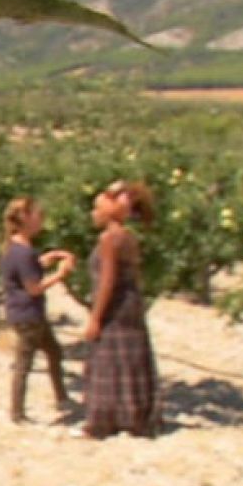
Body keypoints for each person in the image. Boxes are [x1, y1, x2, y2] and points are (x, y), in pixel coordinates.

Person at [82, 180, 160, 438]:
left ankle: (104, 422)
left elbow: (107, 281)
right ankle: (136, 417)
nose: (93, 213)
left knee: (108, 358)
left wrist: (95, 317)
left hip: (116, 307)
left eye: (97, 207)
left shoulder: (109, 238)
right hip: (130, 306)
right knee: (129, 358)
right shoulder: (127, 237)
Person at [0, 197, 76, 424]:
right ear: (25, 218)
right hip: (29, 314)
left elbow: (26, 271)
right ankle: (17, 412)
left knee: (53, 352)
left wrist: (45, 261)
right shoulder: (23, 252)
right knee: (25, 363)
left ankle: (61, 397)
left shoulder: (15, 248)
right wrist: (61, 274)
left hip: (22, 313)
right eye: (38, 216)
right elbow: (33, 287)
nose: (41, 221)